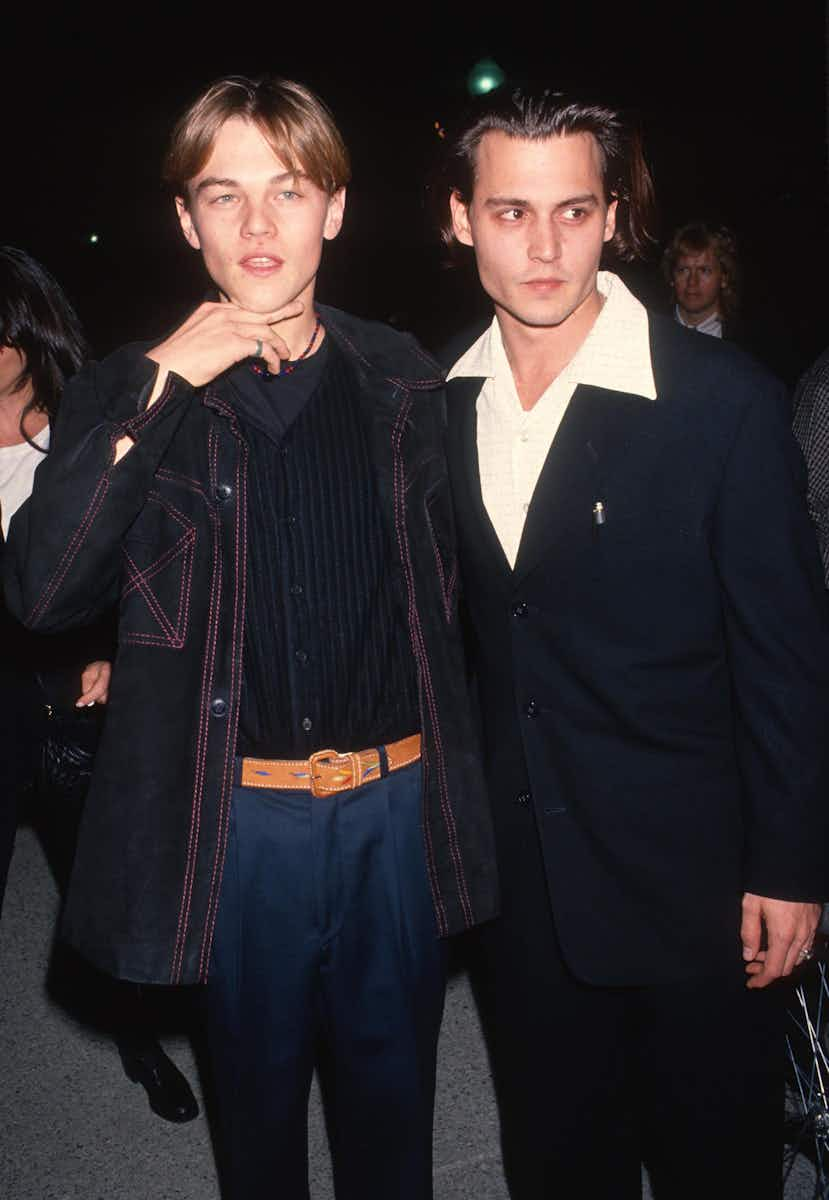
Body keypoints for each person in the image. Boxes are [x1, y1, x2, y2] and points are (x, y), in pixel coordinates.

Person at [5, 76, 497, 1199]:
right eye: (225, 196)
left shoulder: (408, 381)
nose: (260, 225)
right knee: (257, 1123)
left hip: (393, 811)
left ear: (336, 207)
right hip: (238, 823)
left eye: (289, 190)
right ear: (187, 221)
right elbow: (42, 590)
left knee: (394, 1129)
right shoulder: (130, 394)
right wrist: (167, 380)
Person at [439, 88, 829, 1199]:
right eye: (511, 212)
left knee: (716, 1162)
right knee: (561, 1163)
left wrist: (792, 865)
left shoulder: (720, 405)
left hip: (696, 884)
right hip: (519, 887)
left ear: (614, 217)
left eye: (574, 210)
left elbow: (786, 658)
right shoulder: (432, 401)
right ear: (460, 218)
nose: (544, 244)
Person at [0, 245, 199, 1124]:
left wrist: (122, 647)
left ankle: (137, 1038)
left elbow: (145, 551)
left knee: (104, 884)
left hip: (76, 692)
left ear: (26, 329)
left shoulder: (87, 424)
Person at [662, 219, 740, 338]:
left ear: (724, 278)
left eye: (704, 271)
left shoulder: (747, 343)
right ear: (672, 276)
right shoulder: (647, 330)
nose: (692, 282)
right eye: (683, 270)